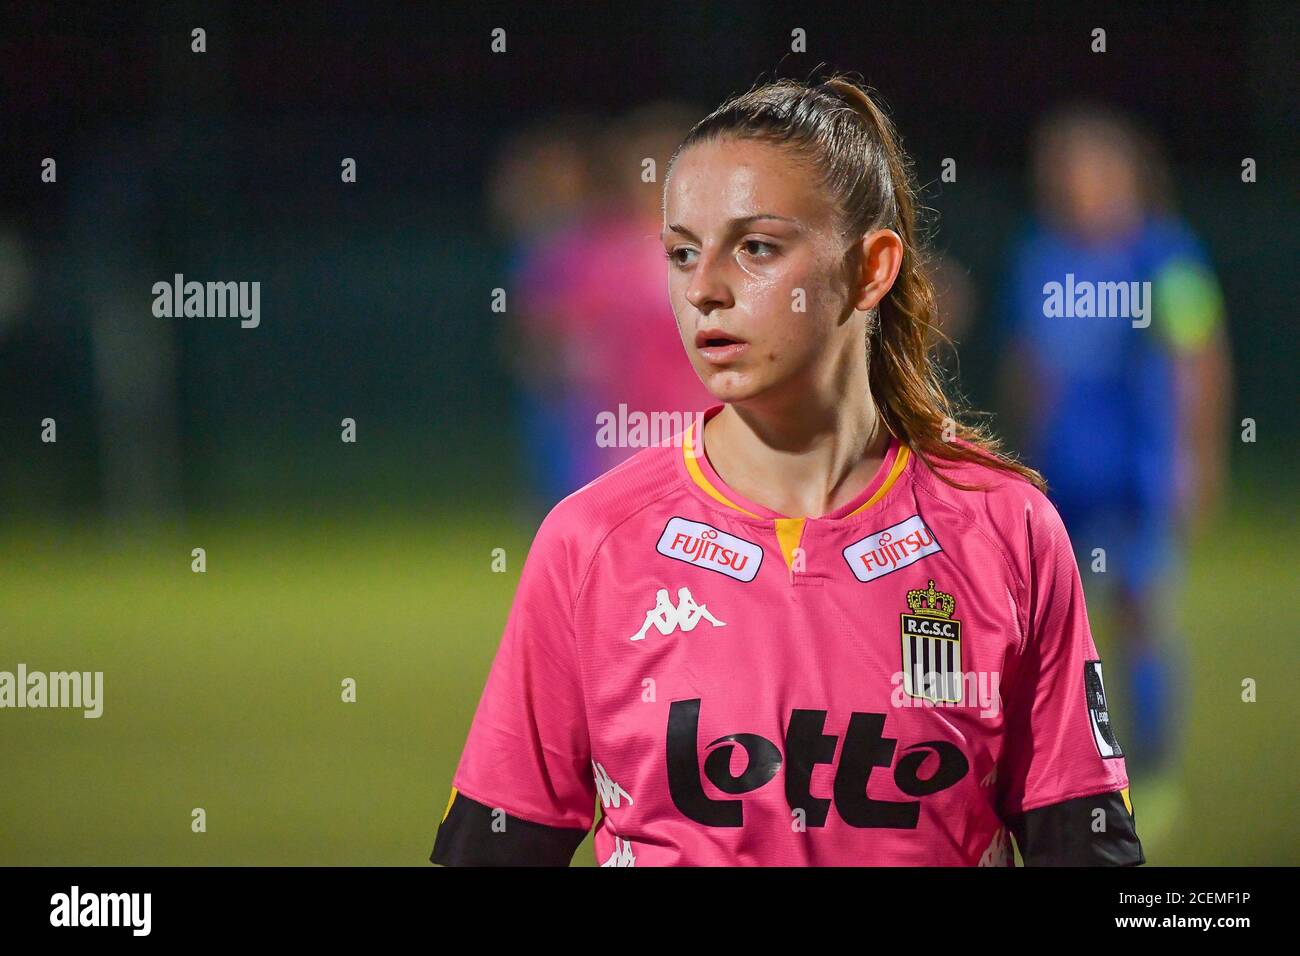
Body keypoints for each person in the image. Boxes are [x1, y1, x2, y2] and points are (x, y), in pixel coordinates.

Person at [431, 74, 1144, 866]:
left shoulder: (1006, 532)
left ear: (871, 269)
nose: (703, 289)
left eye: (757, 247)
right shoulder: (589, 544)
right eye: (680, 253)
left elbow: (1086, 851)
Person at [999, 103, 1231, 778]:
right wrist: (1016, 460)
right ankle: (1059, 767)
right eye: (1058, 172)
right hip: (1062, 470)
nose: (1070, 184)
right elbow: (1028, 365)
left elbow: (1199, 355)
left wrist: (1199, 454)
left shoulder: (1165, 252)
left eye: (1082, 169)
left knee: (1139, 611)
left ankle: (1153, 769)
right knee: (1047, 625)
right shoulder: (1039, 255)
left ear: (1123, 174)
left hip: (1139, 469)